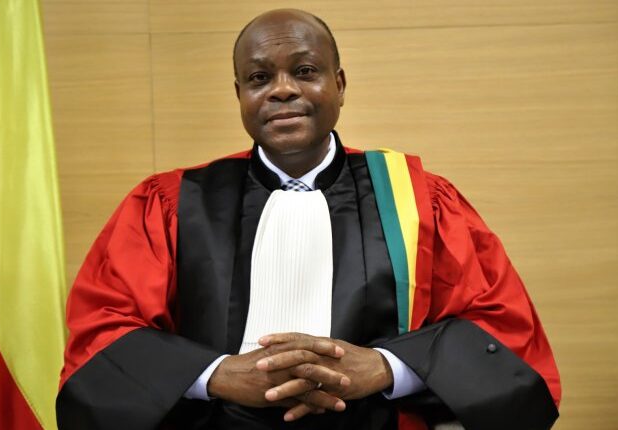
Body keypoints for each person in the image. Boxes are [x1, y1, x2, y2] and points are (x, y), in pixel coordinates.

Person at [56, 8, 561, 430]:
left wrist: (384, 366)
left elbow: (500, 328)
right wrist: (218, 374)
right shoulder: (172, 203)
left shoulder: (419, 200)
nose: (282, 90)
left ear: (338, 85)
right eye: (259, 78)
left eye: (304, 70)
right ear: (239, 95)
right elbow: (104, 331)